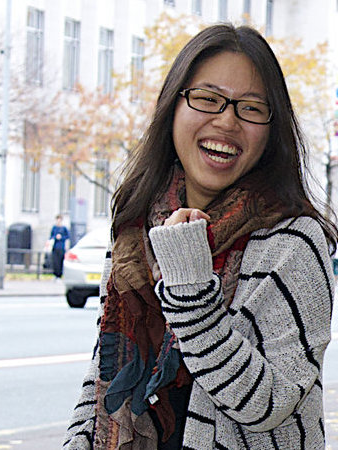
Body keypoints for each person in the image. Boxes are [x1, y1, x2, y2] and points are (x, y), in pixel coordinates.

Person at [63, 24, 337, 449]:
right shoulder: (137, 229)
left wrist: (190, 288)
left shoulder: (296, 242)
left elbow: (269, 403)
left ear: (271, 127)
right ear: (173, 106)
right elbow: (104, 368)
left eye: (250, 108)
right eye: (207, 99)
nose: (226, 120)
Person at [49, 214, 70, 279]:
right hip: (55, 247)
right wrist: (55, 237)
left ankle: (59, 275)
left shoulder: (64, 228)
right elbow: (51, 236)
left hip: (61, 247)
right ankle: (55, 274)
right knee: (55, 261)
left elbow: (67, 236)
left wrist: (61, 237)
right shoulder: (54, 228)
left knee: (60, 261)